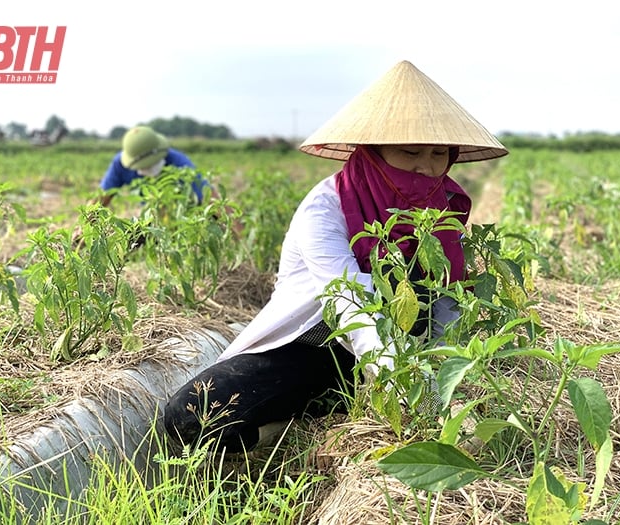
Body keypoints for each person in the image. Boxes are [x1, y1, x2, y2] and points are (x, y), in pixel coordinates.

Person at [163, 60, 508, 452]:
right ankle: (285, 433)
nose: (426, 167)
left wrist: (445, 378)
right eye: (410, 151)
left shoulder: (442, 207)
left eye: (439, 153)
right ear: (373, 152)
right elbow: (350, 304)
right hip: (315, 348)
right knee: (192, 413)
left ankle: (337, 410)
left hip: (401, 348)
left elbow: (446, 299)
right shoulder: (326, 208)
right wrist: (422, 396)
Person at [73, 125, 213, 247]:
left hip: (183, 219)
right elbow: (101, 198)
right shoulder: (120, 165)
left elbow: (210, 196)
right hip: (151, 221)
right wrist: (84, 229)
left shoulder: (178, 162)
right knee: (126, 239)